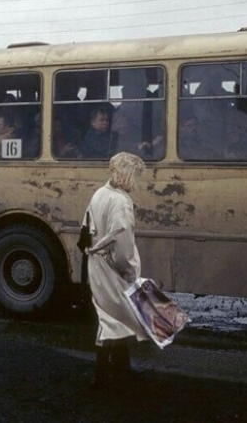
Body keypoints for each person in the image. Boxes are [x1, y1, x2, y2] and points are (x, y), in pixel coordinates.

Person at [83, 152, 149, 389]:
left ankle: (118, 369)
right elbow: (122, 243)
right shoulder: (121, 201)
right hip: (114, 267)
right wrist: (130, 272)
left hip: (97, 264)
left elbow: (85, 229)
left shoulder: (99, 193)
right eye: (135, 176)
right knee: (113, 319)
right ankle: (103, 375)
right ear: (126, 176)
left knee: (113, 317)